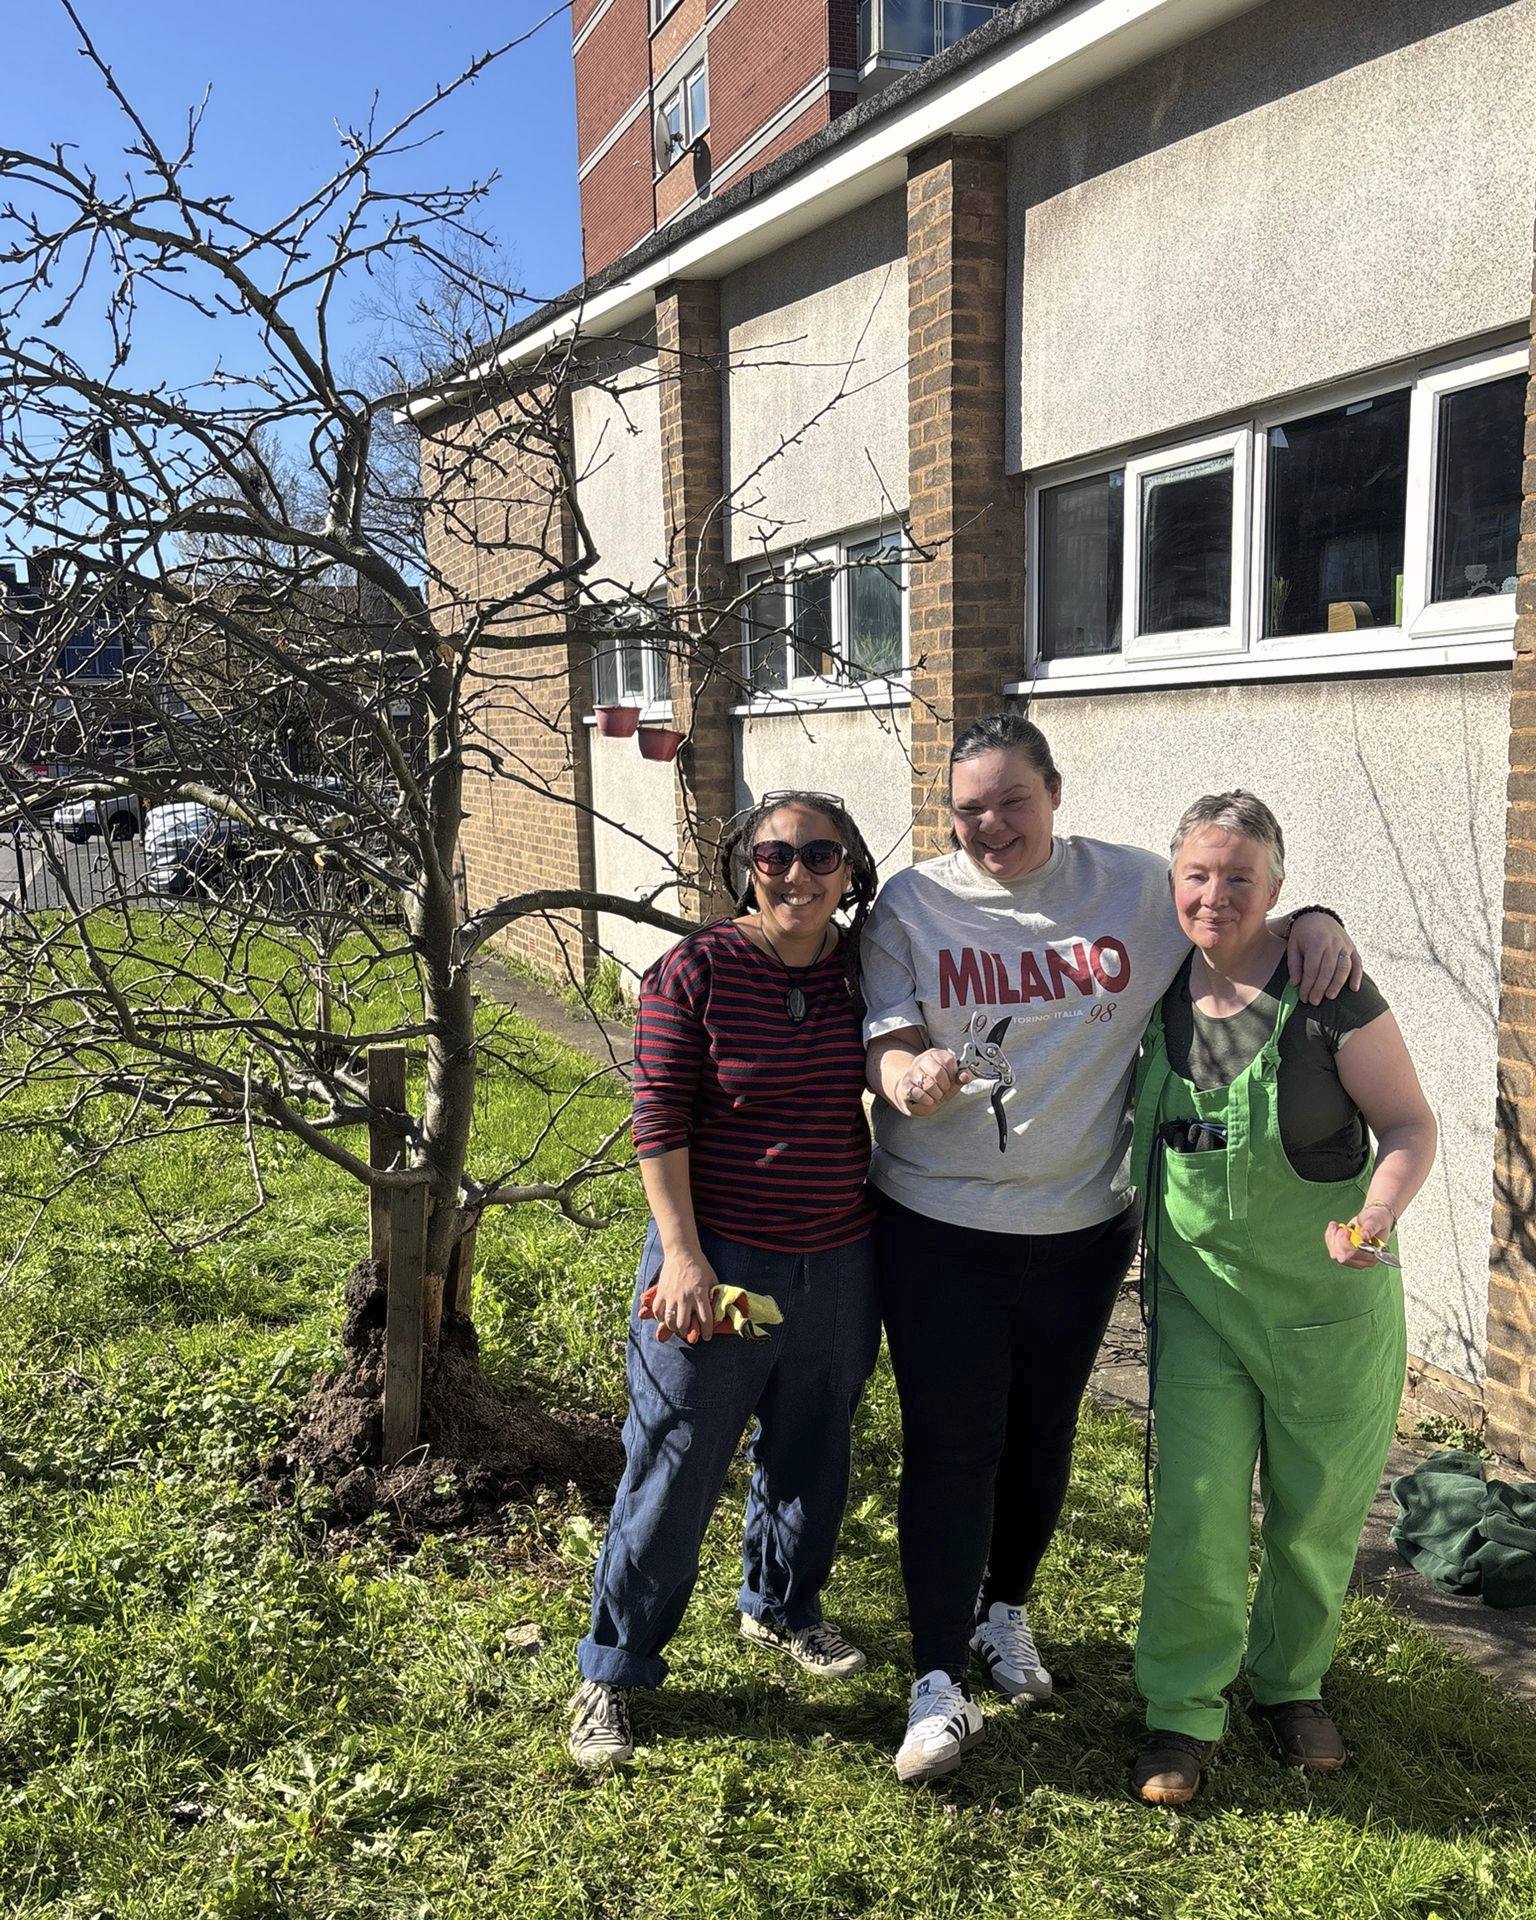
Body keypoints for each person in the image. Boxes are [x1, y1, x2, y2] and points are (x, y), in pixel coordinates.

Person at [860, 712, 1360, 1786]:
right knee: (953, 1444)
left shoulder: (1130, 888)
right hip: (939, 1226)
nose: (990, 825)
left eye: (1011, 802)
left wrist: (1312, 914)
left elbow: (1224, 911)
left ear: (1054, 793)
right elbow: (890, 1038)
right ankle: (937, 1678)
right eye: (968, 809)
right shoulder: (917, 901)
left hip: (1081, 1231)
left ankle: (1006, 1614)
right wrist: (906, 1081)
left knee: (1042, 1437)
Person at [1127, 791, 1436, 1806]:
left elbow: (1407, 1124)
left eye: (1241, 878)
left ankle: (1290, 1683)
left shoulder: (1328, 991)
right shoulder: (1153, 980)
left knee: (1315, 1515)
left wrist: (1379, 1217)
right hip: (1203, 1305)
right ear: (1172, 882)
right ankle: (1181, 1708)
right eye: (1198, 876)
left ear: (1278, 888)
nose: (1215, 897)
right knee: (1200, 1508)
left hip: (1326, 1311)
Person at [569, 790, 884, 1769]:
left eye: (820, 855)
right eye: (774, 855)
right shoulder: (694, 971)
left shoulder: (863, 972)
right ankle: (612, 1670)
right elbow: (657, 1121)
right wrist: (686, 1258)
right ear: (745, 864)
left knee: (812, 1446)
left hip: (835, 1266)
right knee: (678, 1460)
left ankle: (782, 1606)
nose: (797, 874)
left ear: (849, 870)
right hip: (723, 1274)